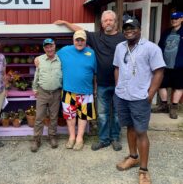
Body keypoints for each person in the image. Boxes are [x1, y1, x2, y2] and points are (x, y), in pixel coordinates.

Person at [55, 10, 125, 151]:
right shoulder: (96, 37)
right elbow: (79, 31)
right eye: (105, 21)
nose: (108, 23)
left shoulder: (122, 38)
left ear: (115, 21)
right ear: (102, 23)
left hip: (120, 83)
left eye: (111, 20)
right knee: (102, 114)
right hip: (103, 83)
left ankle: (115, 138)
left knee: (117, 113)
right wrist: (65, 22)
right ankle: (104, 139)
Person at [113, 18, 165, 184]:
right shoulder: (119, 47)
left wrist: (150, 94)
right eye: (126, 28)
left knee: (141, 131)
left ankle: (144, 170)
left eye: (132, 27)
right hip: (122, 95)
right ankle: (133, 157)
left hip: (140, 97)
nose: (129, 31)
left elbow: (159, 71)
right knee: (129, 127)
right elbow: (117, 68)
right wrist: (117, 86)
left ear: (139, 29)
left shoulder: (151, 48)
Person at [56, 30, 97, 150]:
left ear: (85, 41)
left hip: (86, 91)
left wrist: (95, 89)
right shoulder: (64, 51)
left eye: (82, 40)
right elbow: (51, 55)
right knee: (70, 115)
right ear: (73, 40)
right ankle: (72, 137)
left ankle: (80, 138)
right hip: (68, 90)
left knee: (83, 116)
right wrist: (39, 59)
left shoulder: (91, 53)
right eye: (77, 40)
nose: (79, 42)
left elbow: (95, 73)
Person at [31, 38, 62, 152]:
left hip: (56, 92)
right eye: (47, 47)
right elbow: (36, 75)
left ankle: (52, 136)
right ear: (44, 48)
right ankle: (36, 139)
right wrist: (34, 88)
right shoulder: (39, 59)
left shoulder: (60, 59)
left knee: (54, 117)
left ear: (55, 46)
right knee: (39, 117)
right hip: (42, 92)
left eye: (51, 46)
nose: (49, 49)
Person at [153, 11, 183, 119]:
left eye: (176, 18)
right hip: (164, 64)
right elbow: (160, 46)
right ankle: (164, 105)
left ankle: (174, 107)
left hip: (179, 65)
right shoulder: (166, 32)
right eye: (172, 19)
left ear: (181, 19)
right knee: (161, 84)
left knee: (178, 86)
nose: (174, 21)